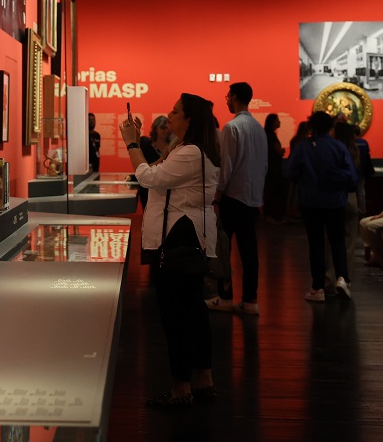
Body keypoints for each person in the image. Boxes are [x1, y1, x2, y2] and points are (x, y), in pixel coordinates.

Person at [119, 94, 220, 406]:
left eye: (176, 111)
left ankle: (181, 388)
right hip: (187, 234)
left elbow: (148, 177)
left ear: (189, 120)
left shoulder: (190, 152)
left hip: (180, 236)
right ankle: (202, 380)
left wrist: (132, 143)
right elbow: (156, 171)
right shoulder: (189, 149)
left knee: (177, 316)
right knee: (193, 311)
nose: (169, 115)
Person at [209, 82, 268, 316]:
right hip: (252, 198)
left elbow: (226, 166)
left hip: (232, 198)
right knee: (249, 251)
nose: (226, 100)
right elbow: (264, 166)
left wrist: (217, 196)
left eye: (228, 96)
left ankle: (225, 297)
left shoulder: (232, 127)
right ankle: (250, 300)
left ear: (234, 97)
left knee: (223, 248)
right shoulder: (259, 128)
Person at [284, 111, 356, 302]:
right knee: (337, 240)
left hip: (311, 202)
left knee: (316, 244)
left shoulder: (303, 147)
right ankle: (342, 278)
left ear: (312, 127)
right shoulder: (339, 146)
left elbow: (289, 172)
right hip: (336, 201)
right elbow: (352, 177)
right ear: (330, 127)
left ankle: (317, 288)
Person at [326, 121, 363, 291]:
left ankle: (329, 278)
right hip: (351, 196)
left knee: (331, 240)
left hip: (334, 196)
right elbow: (360, 177)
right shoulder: (356, 150)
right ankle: (345, 280)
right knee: (349, 242)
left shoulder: (332, 150)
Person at [135, 115, 173, 209]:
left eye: (167, 128)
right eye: (162, 128)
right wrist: (162, 158)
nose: (166, 130)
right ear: (156, 128)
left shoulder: (173, 146)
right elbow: (144, 169)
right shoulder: (146, 144)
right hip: (148, 188)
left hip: (166, 188)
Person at [263, 113, 287, 223]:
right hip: (273, 169)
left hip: (270, 168)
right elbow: (279, 152)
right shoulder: (271, 136)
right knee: (274, 192)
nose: (279, 122)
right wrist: (282, 151)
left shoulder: (268, 135)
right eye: (277, 120)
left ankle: (270, 215)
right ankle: (272, 215)